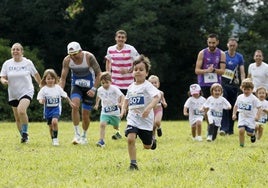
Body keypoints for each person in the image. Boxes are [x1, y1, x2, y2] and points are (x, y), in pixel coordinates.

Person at [120, 55, 160, 170]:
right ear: (132, 72)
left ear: (146, 73)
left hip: (146, 120)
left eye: (141, 70)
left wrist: (148, 108)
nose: (138, 72)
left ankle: (152, 140)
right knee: (130, 138)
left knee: (147, 146)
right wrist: (123, 109)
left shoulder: (148, 86)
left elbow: (157, 97)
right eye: (135, 69)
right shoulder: (131, 86)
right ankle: (133, 164)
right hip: (133, 118)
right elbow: (126, 99)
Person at [59, 41, 102, 145]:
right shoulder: (67, 60)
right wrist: (59, 92)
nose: (73, 57)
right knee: (75, 106)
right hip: (76, 85)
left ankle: (84, 135)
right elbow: (63, 78)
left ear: (80, 51)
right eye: (71, 55)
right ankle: (76, 134)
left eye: (75, 54)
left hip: (89, 87)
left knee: (85, 114)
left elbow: (99, 74)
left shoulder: (89, 57)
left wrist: (94, 89)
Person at [0, 42, 41, 143]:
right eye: (13, 49)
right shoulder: (7, 63)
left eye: (17, 49)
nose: (15, 51)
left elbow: (36, 75)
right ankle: (24, 137)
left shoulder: (27, 63)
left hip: (26, 90)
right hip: (13, 93)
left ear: (22, 51)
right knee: (17, 118)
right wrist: (4, 81)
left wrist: (42, 87)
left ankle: (25, 132)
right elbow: (2, 77)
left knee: (21, 110)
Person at [37, 69, 76, 146]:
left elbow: (65, 95)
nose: (50, 80)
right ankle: (53, 138)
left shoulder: (58, 88)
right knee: (50, 126)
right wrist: (42, 101)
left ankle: (55, 139)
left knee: (54, 122)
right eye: (48, 79)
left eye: (52, 78)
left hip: (56, 109)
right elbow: (39, 99)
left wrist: (70, 102)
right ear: (45, 79)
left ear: (55, 79)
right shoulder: (43, 89)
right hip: (48, 110)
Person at [220, 38, 246, 136]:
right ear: (227, 45)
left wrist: (243, 83)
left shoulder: (239, 57)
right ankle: (224, 128)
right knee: (225, 105)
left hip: (234, 85)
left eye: (233, 45)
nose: (232, 47)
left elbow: (242, 72)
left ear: (236, 46)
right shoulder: (223, 54)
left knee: (233, 106)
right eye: (230, 45)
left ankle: (230, 130)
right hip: (223, 84)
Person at [94, 72, 125, 147]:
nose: (105, 85)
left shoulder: (114, 89)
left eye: (107, 82)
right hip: (105, 112)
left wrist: (121, 103)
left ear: (111, 81)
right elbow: (98, 97)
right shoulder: (100, 90)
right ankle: (101, 141)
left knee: (116, 126)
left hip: (115, 113)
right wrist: (97, 104)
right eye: (103, 83)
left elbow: (122, 96)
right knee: (102, 124)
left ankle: (118, 133)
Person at [105, 29, 139, 95]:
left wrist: (129, 70)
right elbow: (108, 61)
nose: (120, 39)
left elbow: (138, 61)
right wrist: (108, 73)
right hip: (115, 83)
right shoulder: (110, 49)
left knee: (128, 104)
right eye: (119, 37)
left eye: (122, 37)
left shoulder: (130, 49)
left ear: (125, 39)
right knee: (117, 104)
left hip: (129, 83)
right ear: (115, 38)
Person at [195, 33, 226, 98]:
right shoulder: (202, 53)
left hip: (216, 85)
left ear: (217, 42)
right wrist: (207, 70)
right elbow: (197, 70)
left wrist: (214, 70)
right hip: (203, 84)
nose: (211, 45)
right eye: (209, 43)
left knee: (216, 105)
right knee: (204, 106)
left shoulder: (221, 54)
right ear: (207, 42)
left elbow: (223, 71)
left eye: (213, 43)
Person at [232, 79, 261, 147]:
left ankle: (253, 134)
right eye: (244, 89)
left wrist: (257, 116)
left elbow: (259, 108)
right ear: (242, 88)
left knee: (249, 133)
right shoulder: (240, 97)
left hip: (251, 118)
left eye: (248, 89)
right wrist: (234, 114)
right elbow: (236, 106)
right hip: (242, 117)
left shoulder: (254, 99)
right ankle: (241, 145)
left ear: (252, 89)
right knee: (241, 130)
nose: (246, 91)